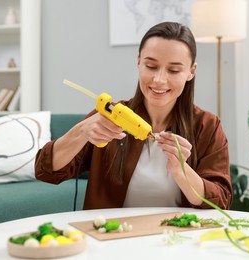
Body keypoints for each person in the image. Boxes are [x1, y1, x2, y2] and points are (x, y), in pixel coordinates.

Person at [35, 21, 232, 210]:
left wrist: (181, 172)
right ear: (138, 62)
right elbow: (46, 171)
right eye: (151, 66)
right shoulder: (108, 116)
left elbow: (221, 200)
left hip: (177, 238)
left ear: (191, 72)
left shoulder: (207, 126)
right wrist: (81, 131)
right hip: (112, 237)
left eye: (173, 70)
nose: (159, 80)